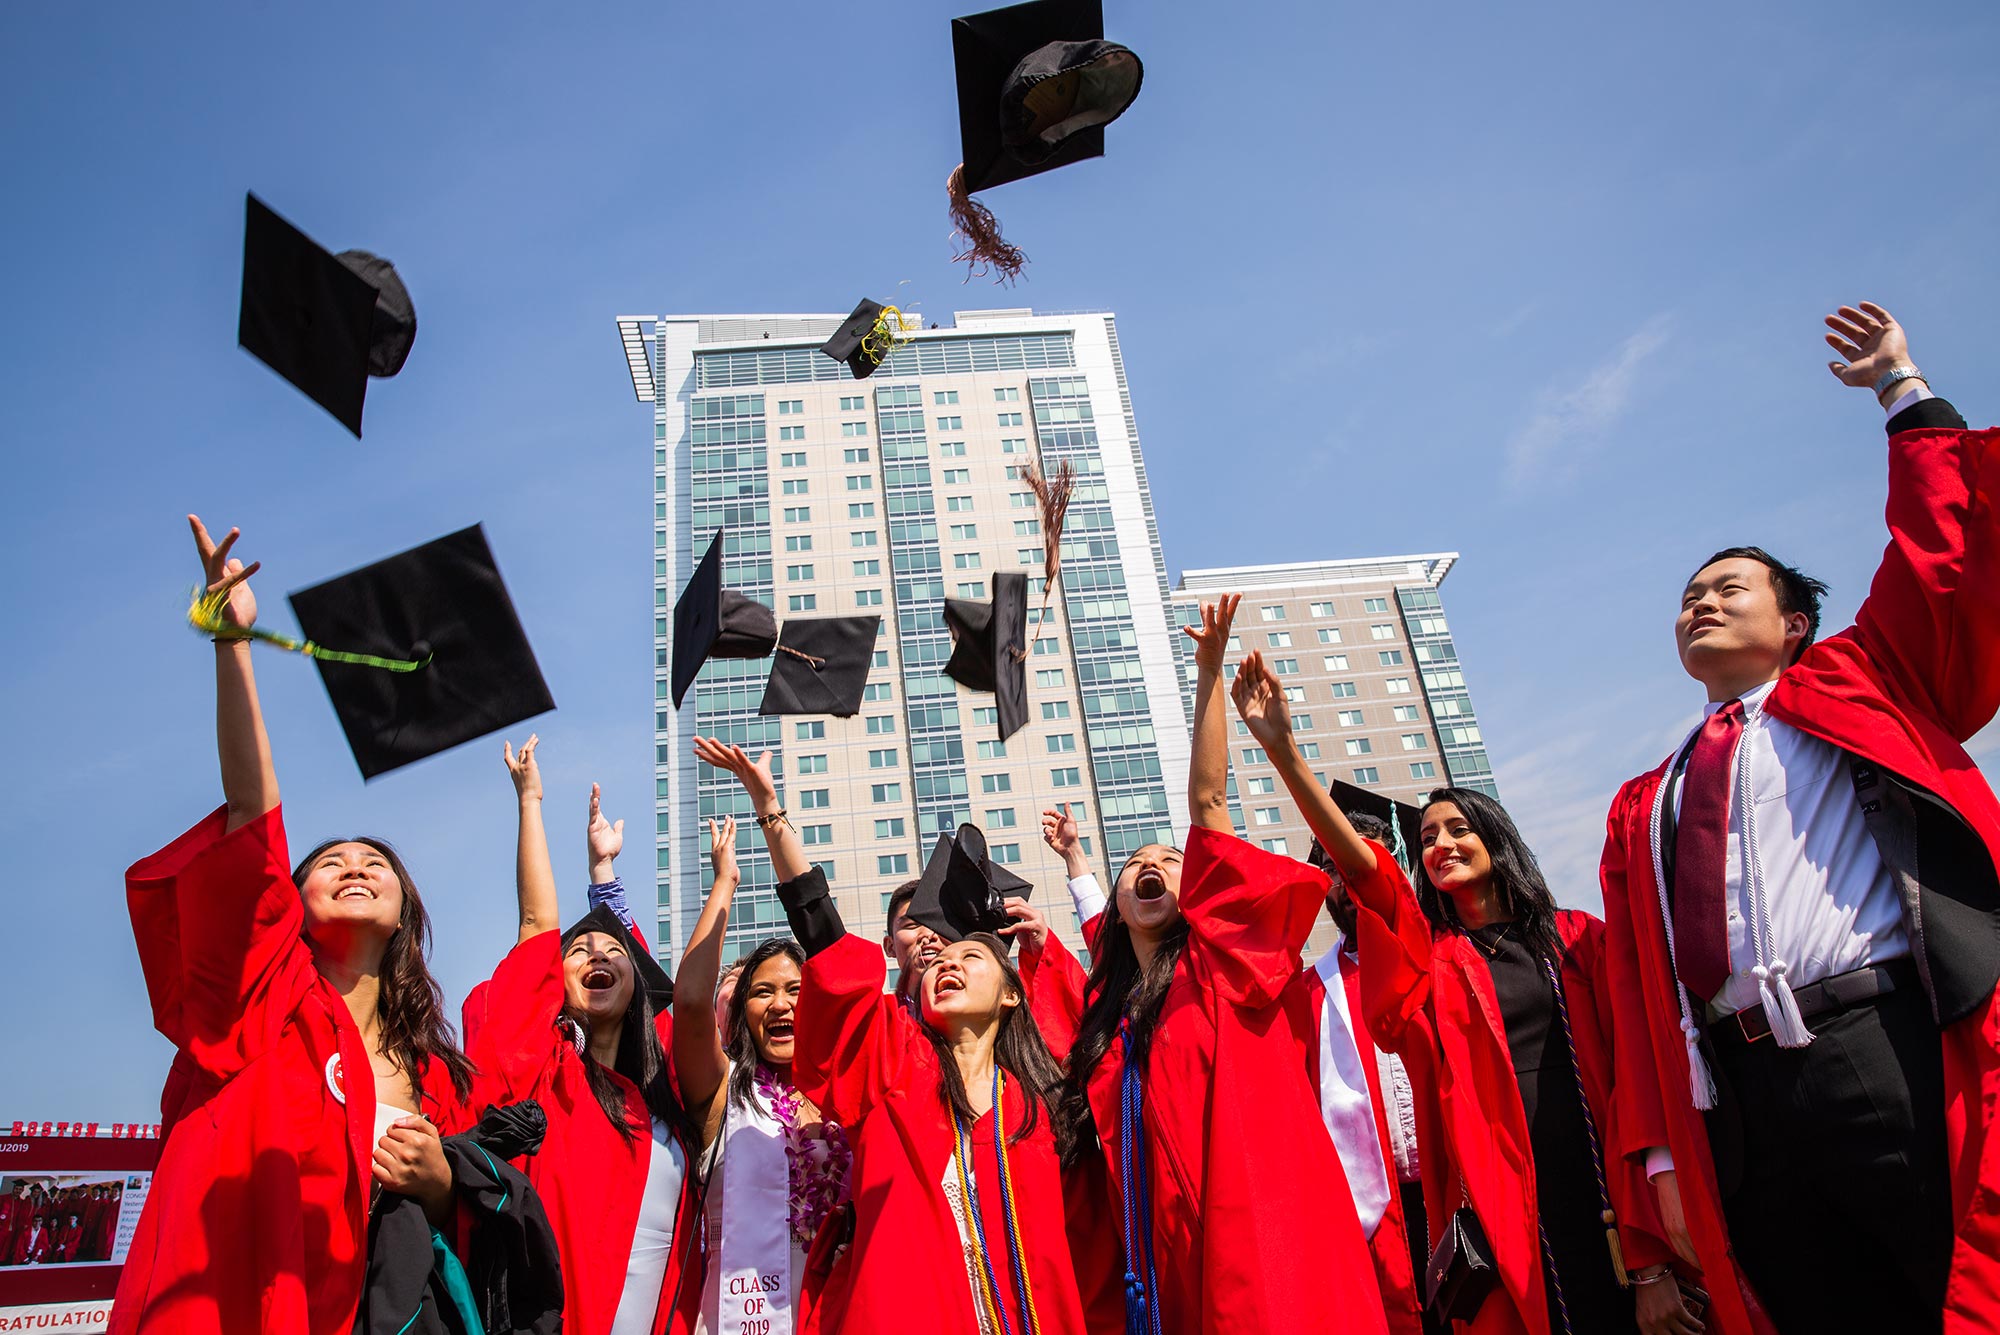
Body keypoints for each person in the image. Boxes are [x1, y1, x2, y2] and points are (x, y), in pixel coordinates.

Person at [1599, 302, 2000, 1335]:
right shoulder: (1646, 801)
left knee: (1952, 1288)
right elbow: (1637, 992)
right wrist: (1654, 1159)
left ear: (1794, 624)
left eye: (1727, 587)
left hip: (1879, 1048)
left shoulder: (1863, 686)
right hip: (1738, 1101)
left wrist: (1899, 390)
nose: (1697, 602)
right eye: (1686, 594)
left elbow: (1936, 560)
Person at [1232, 651, 1684, 1335]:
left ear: (1495, 839)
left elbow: (1635, 1072)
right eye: (1427, 836)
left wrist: (1653, 1255)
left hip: (1605, 1180)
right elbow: (1367, 875)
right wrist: (1285, 750)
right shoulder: (1431, 963)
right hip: (1501, 1205)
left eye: (1456, 829)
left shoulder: (1577, 939)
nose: (1439, 842)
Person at [112, 518, 473, 1335]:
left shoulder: (436, 1074)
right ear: (290, 899)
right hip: (233, 1303)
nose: (353, 865)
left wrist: (442, 1180)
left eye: (375, 862)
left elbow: (464, 1207)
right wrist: (232, 647)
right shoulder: (265, 997)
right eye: (330, 861)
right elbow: (252, 815)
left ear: (405, 913)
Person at [1035, 595, 1389, 1335]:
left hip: (1268, 1247)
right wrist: (1075, 858)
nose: (1155, 867)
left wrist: (1206, 673)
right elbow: (1104, 939)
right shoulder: (1116, 1024)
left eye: (1170, 860)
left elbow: (1207, 804)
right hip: (1166, 1267)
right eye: (1137, 865)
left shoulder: (1225, 967)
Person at [732, 757, 1089, 1334]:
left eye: (968, 956)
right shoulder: (896, 1066)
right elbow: (829, 948)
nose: (945, 960)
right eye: (938, 962)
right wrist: (772, 815)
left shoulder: (1039, 1104)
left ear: (1011, 996)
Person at [469, 737, 703, 1335]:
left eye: (613, 951)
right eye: (579, 950)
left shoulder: (663, 1101)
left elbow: (671, 1011)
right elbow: (535, 929)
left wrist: (606, 875)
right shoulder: (543, 1078)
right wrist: (530, 801)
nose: (597, 952)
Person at [679, 737, 855, 1334]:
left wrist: (769, 806)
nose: (781, 1003)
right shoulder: (727, 1094)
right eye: (762, 991)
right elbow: (693, 1002)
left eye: (797, 989)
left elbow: (832, 949)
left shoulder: (852, 1092)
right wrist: (725, 882)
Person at [1298, 810, 1427, 1335]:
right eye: (1332, 865)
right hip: (1373, 1213)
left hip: (1459, 1190)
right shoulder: (1308, 991)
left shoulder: (1448, 956)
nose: (1347, 877)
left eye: (1359, 857)